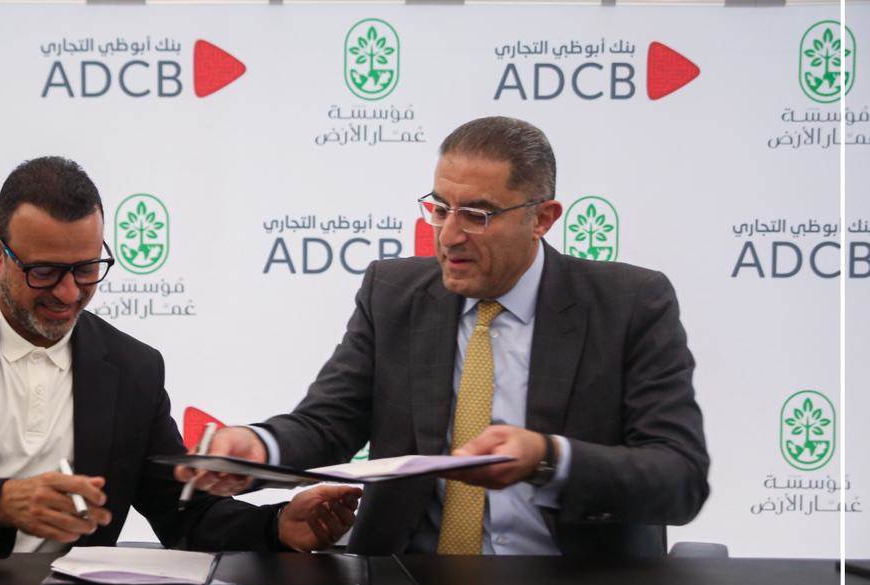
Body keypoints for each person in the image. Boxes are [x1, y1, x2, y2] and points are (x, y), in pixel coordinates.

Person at [179, 117, 709, 558]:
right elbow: (329, 422)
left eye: (477, 215)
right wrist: (257, 448)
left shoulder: (629, 304)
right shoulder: (394, 294)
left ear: (542, 219)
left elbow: (679, 478)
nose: (449, 236)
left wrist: (549, 457)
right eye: (439, 209)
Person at [0, 156, 360, 557]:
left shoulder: (132, 369)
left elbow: (182, 514)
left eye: (86, 269)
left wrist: (276, 526)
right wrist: (1, 502)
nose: (68, 294)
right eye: (43, 272)